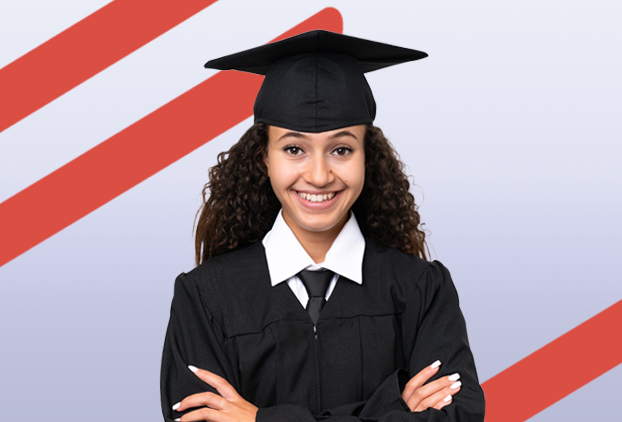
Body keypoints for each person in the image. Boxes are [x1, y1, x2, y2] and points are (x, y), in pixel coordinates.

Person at [160, 30, 485, 422]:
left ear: (368, 156)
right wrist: (392, 409)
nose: (318, 175)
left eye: (342, 149)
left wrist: (260, 419)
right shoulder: (206, 300)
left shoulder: (421, 291)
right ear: (265, 157)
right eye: (294, 149)